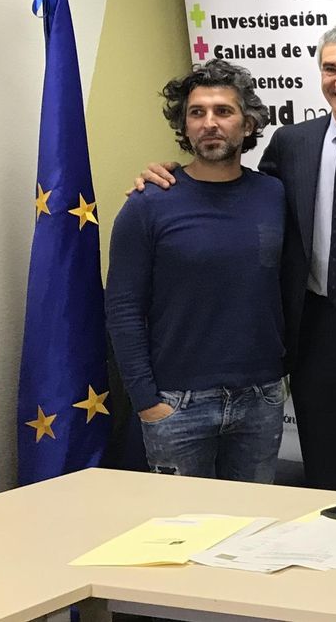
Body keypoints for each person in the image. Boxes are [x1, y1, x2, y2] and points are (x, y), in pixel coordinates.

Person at [137, 22, 336, 497]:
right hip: (315, 331)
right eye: (331, 68)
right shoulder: (291, 144)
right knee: (324, 472)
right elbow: (242, 201)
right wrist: (170, 174)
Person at [108, 60, 286, 482]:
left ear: (248, 124)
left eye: (223, 111)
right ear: (184, 127)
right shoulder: (148, 203)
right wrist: (146, 401)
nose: (210, 123)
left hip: (260, 398)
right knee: (181, 535)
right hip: (176, 404)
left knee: (252, 531)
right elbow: (123, 308)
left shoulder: (274, 194)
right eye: (197, 112)